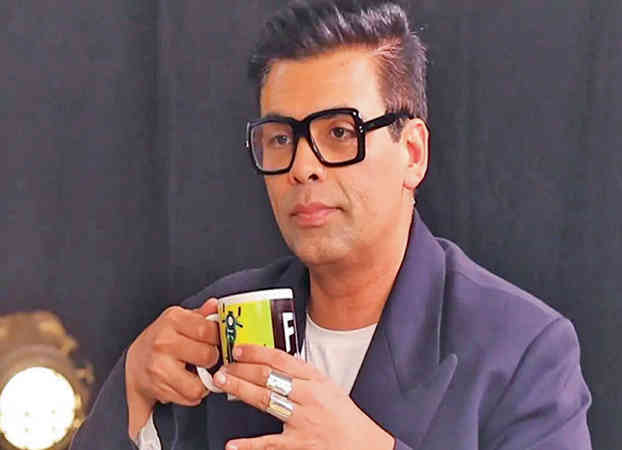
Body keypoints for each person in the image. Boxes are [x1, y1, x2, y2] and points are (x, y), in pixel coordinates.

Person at [70, 1, 593, 449]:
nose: (302, 167)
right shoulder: (213, 323)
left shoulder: (521, 350)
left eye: (340, 132)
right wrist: (131, 389)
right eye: (281, 138)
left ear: (412, 152)